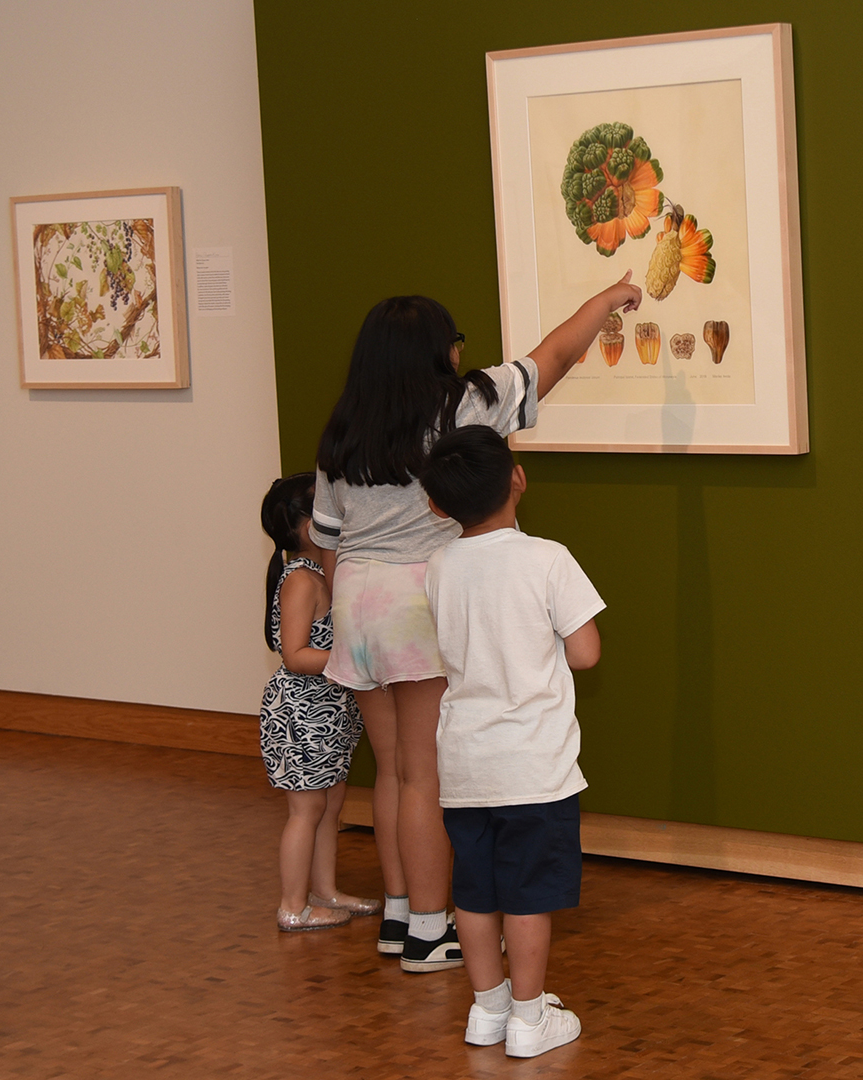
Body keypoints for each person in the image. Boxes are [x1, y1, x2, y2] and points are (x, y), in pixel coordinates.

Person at [311, 274, 640, 970]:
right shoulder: (468, 403)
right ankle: (432, 930)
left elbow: (326, 535)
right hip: (419, 598)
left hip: (358, 604)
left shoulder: (342, 427)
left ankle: (400, 914)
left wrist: (347, 614)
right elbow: (554, 355)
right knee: (427, 776)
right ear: (442, 353)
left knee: (393, 772)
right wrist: (607, 301)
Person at [419, 425, 604, 1058]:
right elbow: (585, 653)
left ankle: (487, 1009)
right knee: (528, 895)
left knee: (474, 891)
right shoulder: (548, 558)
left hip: (466, 764)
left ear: (437, 505)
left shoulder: (439, 565)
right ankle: (529, 1019)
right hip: (534, 767)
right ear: (517, 480)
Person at [259, 474, 381, 932]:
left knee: (330, 806)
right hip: (301, 713)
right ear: (306, 526)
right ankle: (293, 905)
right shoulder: (301, 580)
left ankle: (324, 890)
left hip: (330, 713)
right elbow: (295, 655)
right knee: (306, 811)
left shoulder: (322, 573)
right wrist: (354, 658)